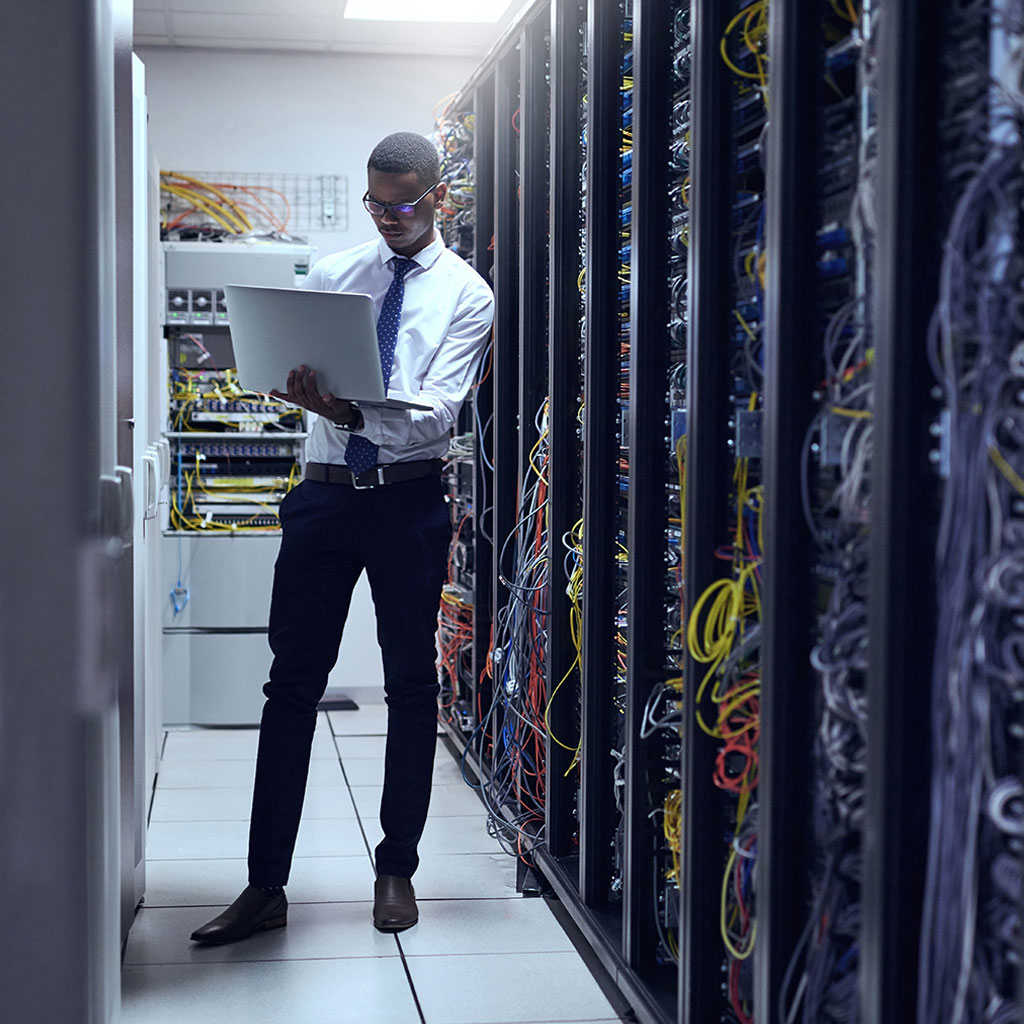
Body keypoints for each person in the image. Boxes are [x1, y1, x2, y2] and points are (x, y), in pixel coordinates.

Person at [189, 131, 494, 943]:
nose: (388, 217)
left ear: (438, 198)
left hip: (407, 503)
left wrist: (351, 412)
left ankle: (396, 866)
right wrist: (303, 394)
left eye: (403, 204)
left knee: (410, 685)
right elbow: (298, 377)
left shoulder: (467, 294)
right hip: (324, 500)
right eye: (376, 203)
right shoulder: (332, 276)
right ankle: (265, 886)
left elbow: (438, 413)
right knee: (290, 686)